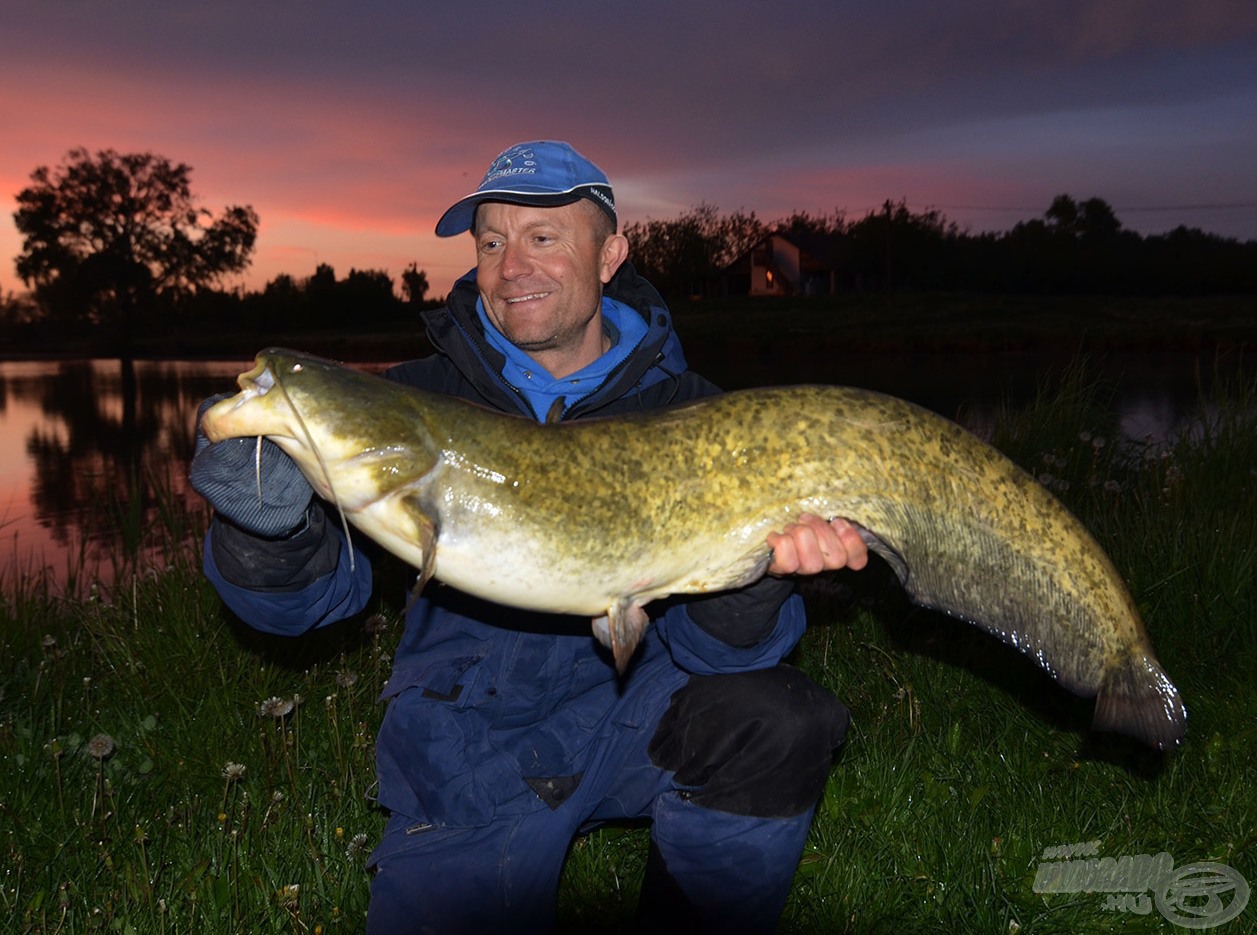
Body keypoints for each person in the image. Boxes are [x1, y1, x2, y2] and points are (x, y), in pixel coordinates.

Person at [191, 140, 868, 933]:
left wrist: (759, 572)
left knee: (776, 716)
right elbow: (299, 610)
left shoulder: (695, 419)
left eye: (543, 237)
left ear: (610, 252)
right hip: (469, 741)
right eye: (490, 241)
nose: (512, 267)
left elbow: (727, 657)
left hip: (640, 714)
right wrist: (265, 530)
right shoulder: (417, 399)